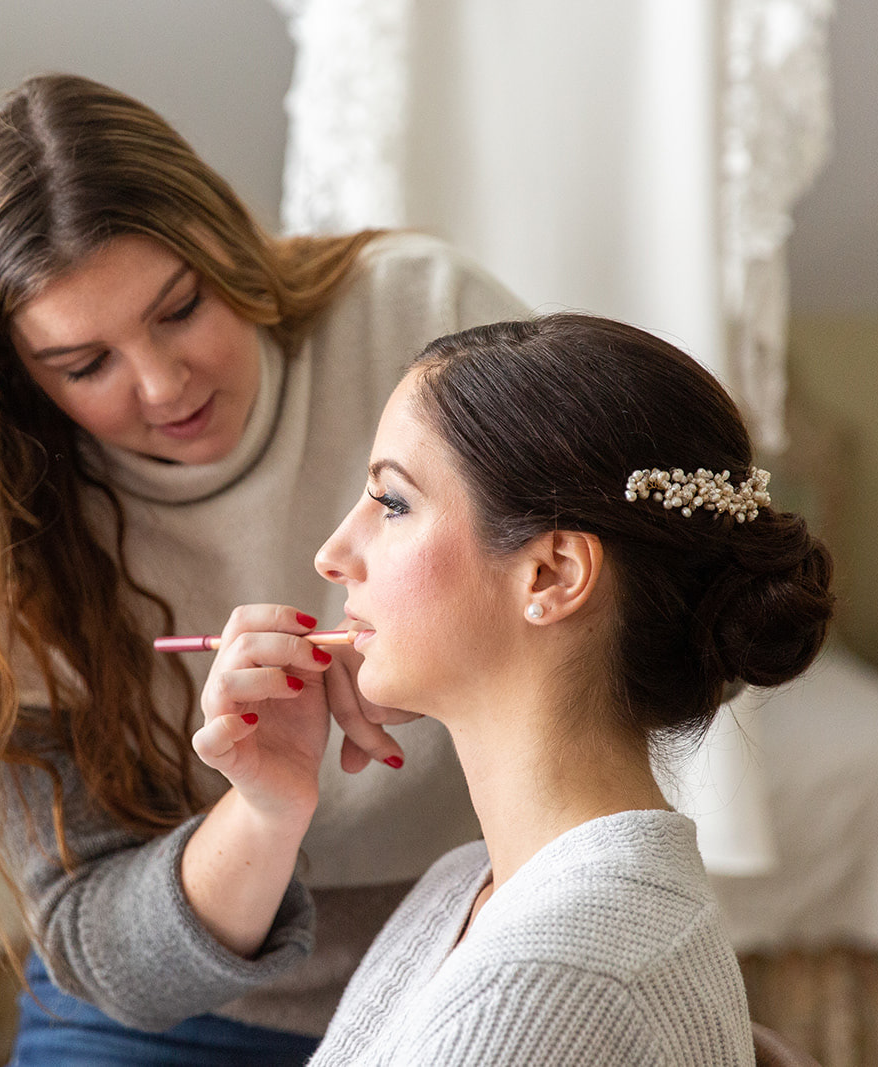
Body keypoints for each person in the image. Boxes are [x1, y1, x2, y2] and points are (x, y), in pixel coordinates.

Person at [0, 72, 528, 1062]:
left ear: (227, 245)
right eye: (86, 365)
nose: (164, 385)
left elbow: (623, 569)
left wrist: (454, 660)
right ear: (17, 375)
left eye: (181, 307)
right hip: (165, 1009)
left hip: (471, 965)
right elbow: (105, 950)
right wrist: (264, 807)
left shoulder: (421, 311)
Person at [193, 313, 835, 1064]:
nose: (334, 553)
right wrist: (272, 803)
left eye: (392, 503)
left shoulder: (551, 983)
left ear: (552, 573)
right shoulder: (467, 886)